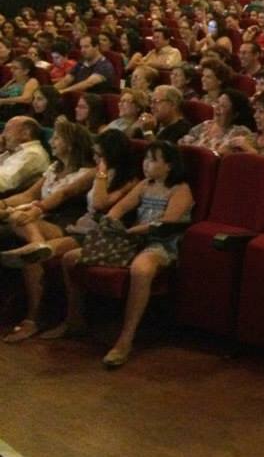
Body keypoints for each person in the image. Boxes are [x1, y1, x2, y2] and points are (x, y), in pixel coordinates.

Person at [59, 142, 194, 367]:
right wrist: (111, 221)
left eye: (153, 160)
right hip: (133, 239)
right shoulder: (144, 185)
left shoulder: (180, 189)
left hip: (160, 243)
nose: (146, 164)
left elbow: (166, 223)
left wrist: (133, 231)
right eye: (145, 159)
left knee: (141, 269)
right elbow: (120, 208)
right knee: (70, 258)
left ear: (169, 165)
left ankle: (125, 339)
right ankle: (75, 319)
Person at [0, 118, 96, 343]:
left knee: (17, 222)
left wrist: (32, 210)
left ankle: (33, 317)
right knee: (15, 222)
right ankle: (35, 246)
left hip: (65, 223)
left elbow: (62, 196)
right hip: (38, 219)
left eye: (57, 138)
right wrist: (3, 204)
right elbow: (28, 195)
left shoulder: (87, 172)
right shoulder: (54, 168)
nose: (51, 141)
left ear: (71, 144)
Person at [179, 88, 255, 155]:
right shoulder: (205, 125)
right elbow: (183, 142)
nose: (217, 108)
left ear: (235, 114)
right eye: (217, 103)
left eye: (223, 106)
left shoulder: (240, 132)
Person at [0, 116, 50, 195]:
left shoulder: (33, 154)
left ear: (26, 133)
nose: (2, 135)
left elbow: (4, 183)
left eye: (7, 130)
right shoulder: (14, 150)